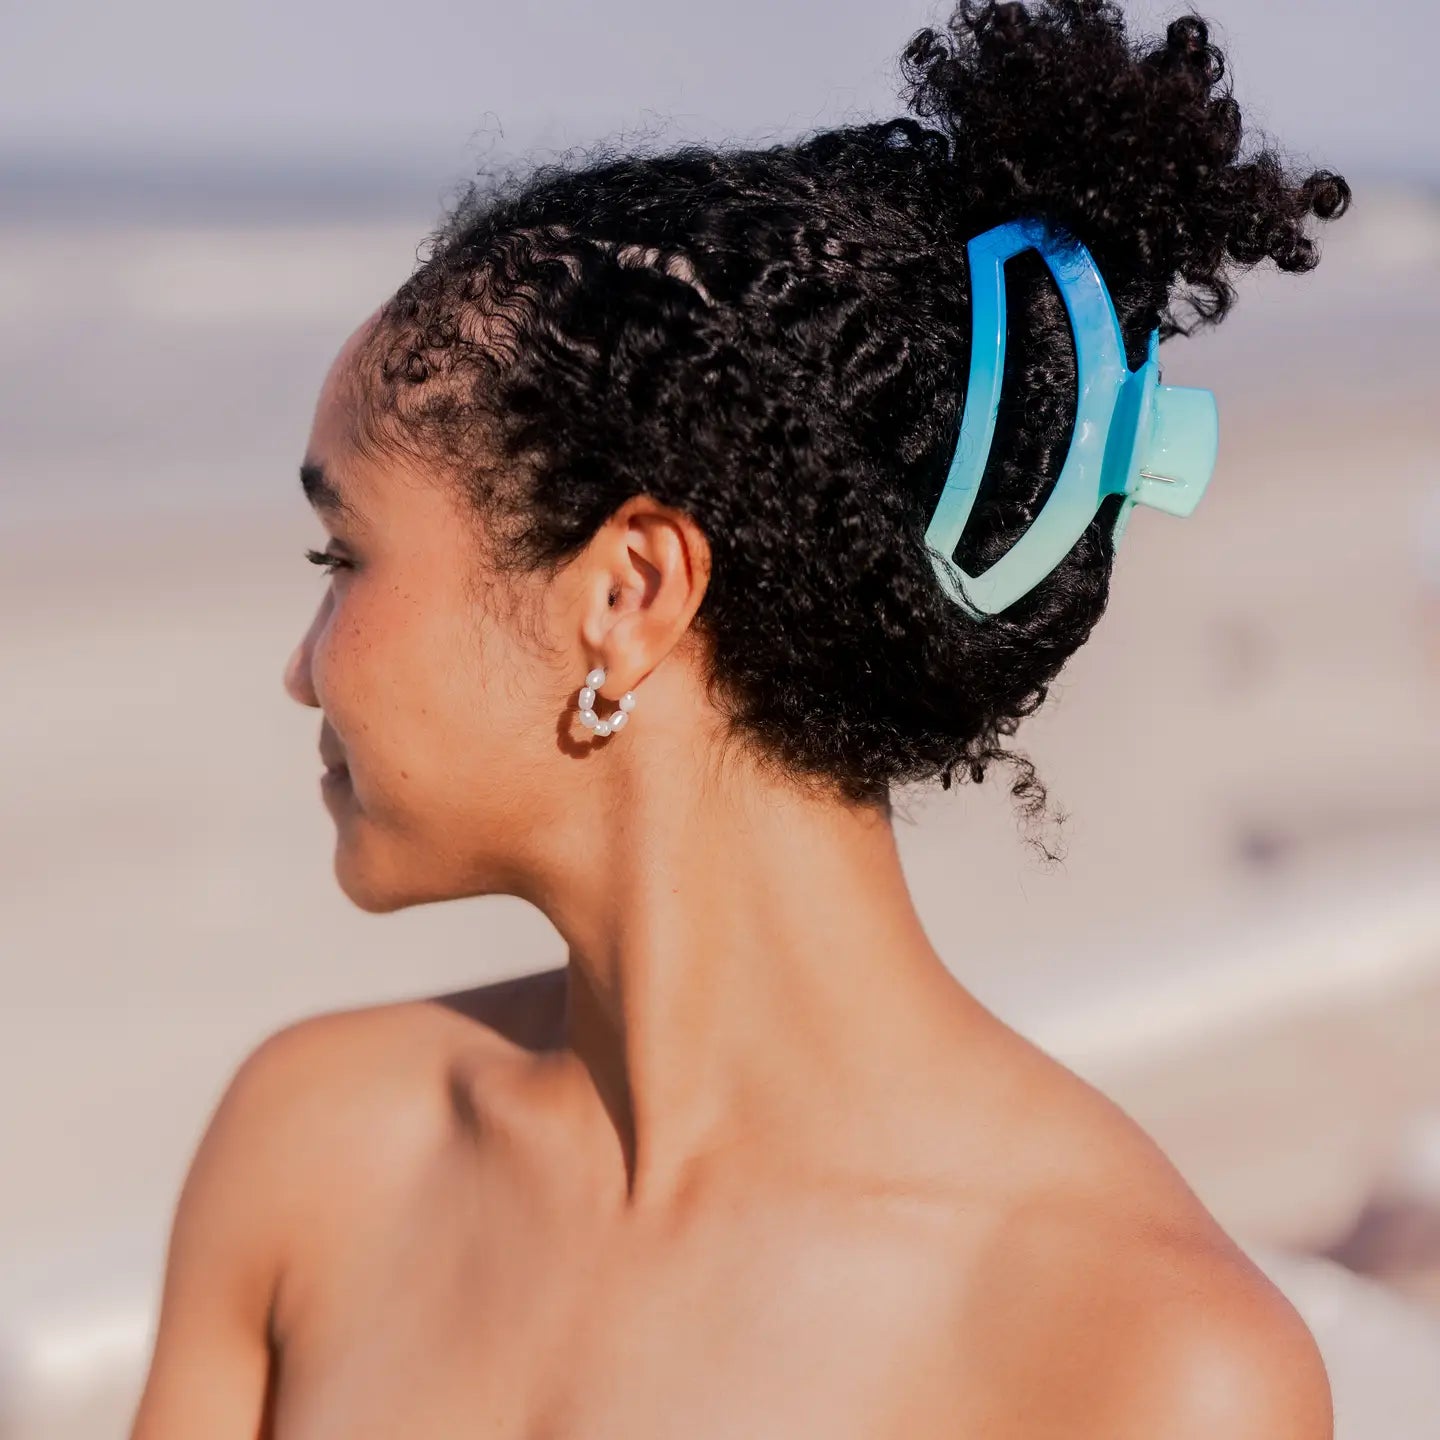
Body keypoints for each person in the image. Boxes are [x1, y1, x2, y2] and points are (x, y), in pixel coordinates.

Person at [129, 2, 1351, 1436]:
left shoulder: (1144, 1363)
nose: (303, 668)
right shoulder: (313, 1153)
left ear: (629, 592)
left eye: (342, 557)